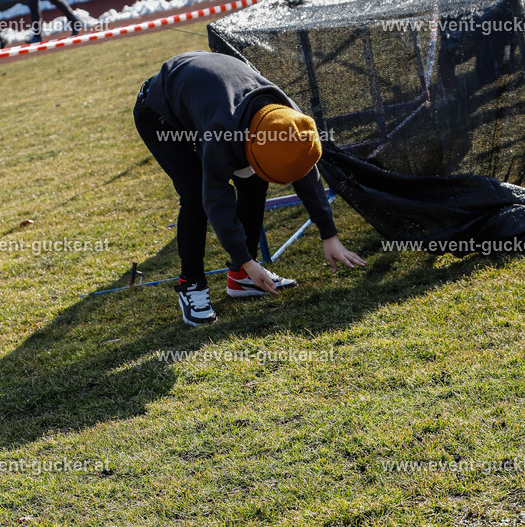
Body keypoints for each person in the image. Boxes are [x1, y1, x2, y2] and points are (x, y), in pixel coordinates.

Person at [134, 50, 366, 327]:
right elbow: (216, 199)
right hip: (159, 111)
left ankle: (240, 279)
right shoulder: (221, 133)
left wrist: (329, 235)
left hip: (206, 93)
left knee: (254, 181)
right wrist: (244, 258)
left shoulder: (290, 118)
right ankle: (191, 284)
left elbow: (304, 169)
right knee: (195, 196)